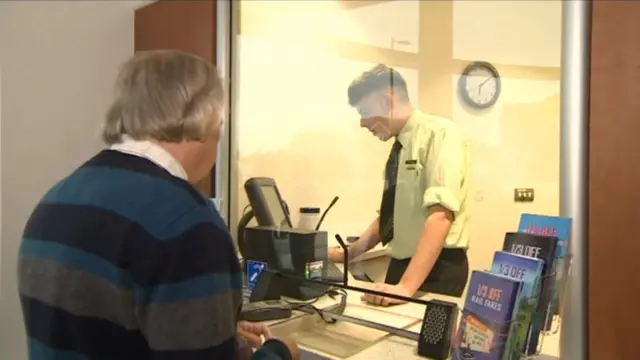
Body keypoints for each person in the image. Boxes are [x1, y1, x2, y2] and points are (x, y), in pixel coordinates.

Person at [17, 50, 298, 360]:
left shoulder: (56, 200)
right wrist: (279, 353)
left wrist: (218, 336)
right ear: (205, 121)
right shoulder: (187, 223)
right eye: (220, 124)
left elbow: (101, 331)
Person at [329, 64, 471, 305]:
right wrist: (348, 253)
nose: (363, 123)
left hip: (438, 268)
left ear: (387, 101)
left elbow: (440, 217)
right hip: (402, 265)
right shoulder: (399, 150)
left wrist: (406, 287)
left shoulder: (441, 134)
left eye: (364, 111)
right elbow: (390, 217)